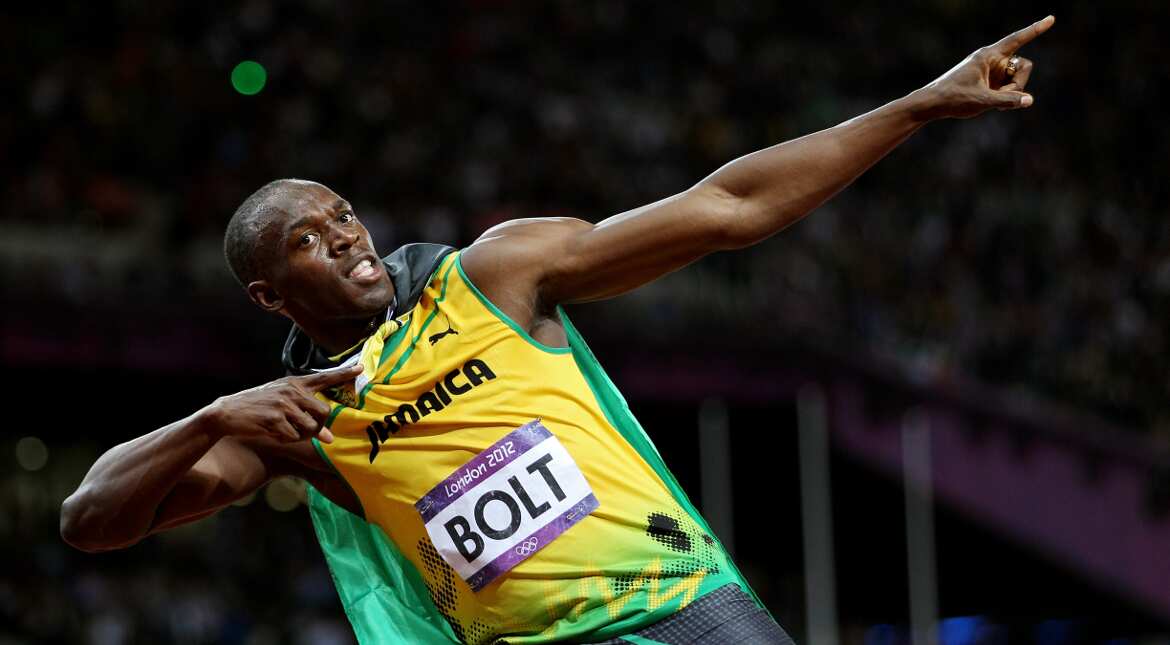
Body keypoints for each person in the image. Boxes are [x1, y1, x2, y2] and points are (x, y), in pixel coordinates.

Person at [61, 16, 1054, 644]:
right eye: (309, 244)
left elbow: (727, 207)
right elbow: (92, 520)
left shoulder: (493, 274)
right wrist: (209, 419)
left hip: (683, 612)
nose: (346, 239)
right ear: (271, 297)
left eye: (342, 216)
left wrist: (918, 107)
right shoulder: (295, 421)